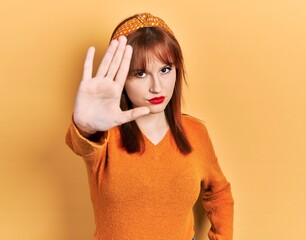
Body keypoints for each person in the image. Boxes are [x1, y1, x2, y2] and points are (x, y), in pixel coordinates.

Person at [66, 13, 234, 240]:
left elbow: (220, 192)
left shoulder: (196, 133)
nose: (157, 87)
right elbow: (82, 144)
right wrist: (85, 126)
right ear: (121, 78)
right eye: (141, 73)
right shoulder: (103, 135)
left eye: (165, 70)